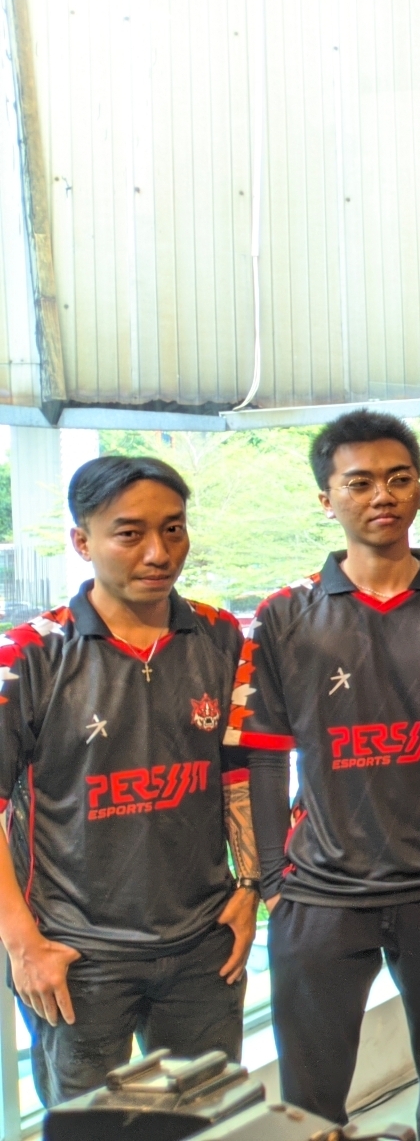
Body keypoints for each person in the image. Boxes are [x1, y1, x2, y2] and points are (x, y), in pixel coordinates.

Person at [227, 411, 420, 1141]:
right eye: (359, 482)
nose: (382, 495)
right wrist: (273, 881)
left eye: (399, 478)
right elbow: (263, 754)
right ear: (327, 499)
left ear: (419, 491)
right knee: (311, 1109)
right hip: (321, 894)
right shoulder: (284, 614)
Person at [0, 457, 260, 1103]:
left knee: (207, 1120)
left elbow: (241, 775)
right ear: (81, 541)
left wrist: (251, 887)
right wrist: (23, 944)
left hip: (204, 948)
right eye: (129, 533)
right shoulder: (29, 656)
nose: (158, 553)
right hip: (77, 957)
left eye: (173, 529)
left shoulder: (221, 638)